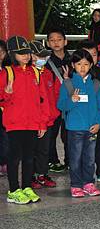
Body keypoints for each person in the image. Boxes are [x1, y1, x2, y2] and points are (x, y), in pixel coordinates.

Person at [0, 37, 49, 204]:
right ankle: (13, 190)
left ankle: (27, 186)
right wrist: (7, 92)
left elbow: (42, 100)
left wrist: (42, 123)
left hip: (32, 123)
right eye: (21, 53)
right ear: (13, 54)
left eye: (27, 52)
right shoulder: (7, 72)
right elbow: (1, 99)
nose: (26, 56)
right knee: (14, 158)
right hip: (14, 124)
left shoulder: (35, 72)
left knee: (29, 157)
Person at [57, 49, 100, 198]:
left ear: (91, 65)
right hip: (74, 129)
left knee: (90, 158)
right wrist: (71, 100)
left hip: (92, 129)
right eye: (79, 64)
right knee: (75, 158)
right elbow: (61, 105)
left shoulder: (96, 84)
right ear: (73, 65)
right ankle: (76, 185)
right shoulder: (68, 84)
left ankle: (89, 183)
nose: (82, 67)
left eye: (86, 64)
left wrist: (99, 123)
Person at [80, 40, 100, 184]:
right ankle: (83, 174)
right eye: (87, 55)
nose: (91, 58)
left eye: (94, 54)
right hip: (80, 117)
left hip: (98, 115)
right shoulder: (74, 74)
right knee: (81, 147)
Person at [30, 40, 59, 189]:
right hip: (32, 120)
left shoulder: (48, 73)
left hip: (48, 118)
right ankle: (31, 176)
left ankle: (42, 173)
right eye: (38, 56)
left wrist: (53, 114)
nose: (42, 59)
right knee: (31, 149)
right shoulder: (28, 73)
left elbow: (53, 96)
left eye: (44, 56)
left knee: (44, 149)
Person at [46, 27, 71, 173]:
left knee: (69, 134)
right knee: (51, 134)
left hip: (70, 103)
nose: (56, 43)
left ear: (65, 41)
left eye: (59, 39)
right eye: (52, 40)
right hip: (52, 103)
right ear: (48, 43)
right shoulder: (46, 62)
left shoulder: (73, 59)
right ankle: (53, 161)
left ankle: (69, 160)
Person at [0, 40, 9, 176]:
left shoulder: (9, 71)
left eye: (1, 52)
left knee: (5, 138)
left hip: (5, 109)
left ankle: (4, 162)